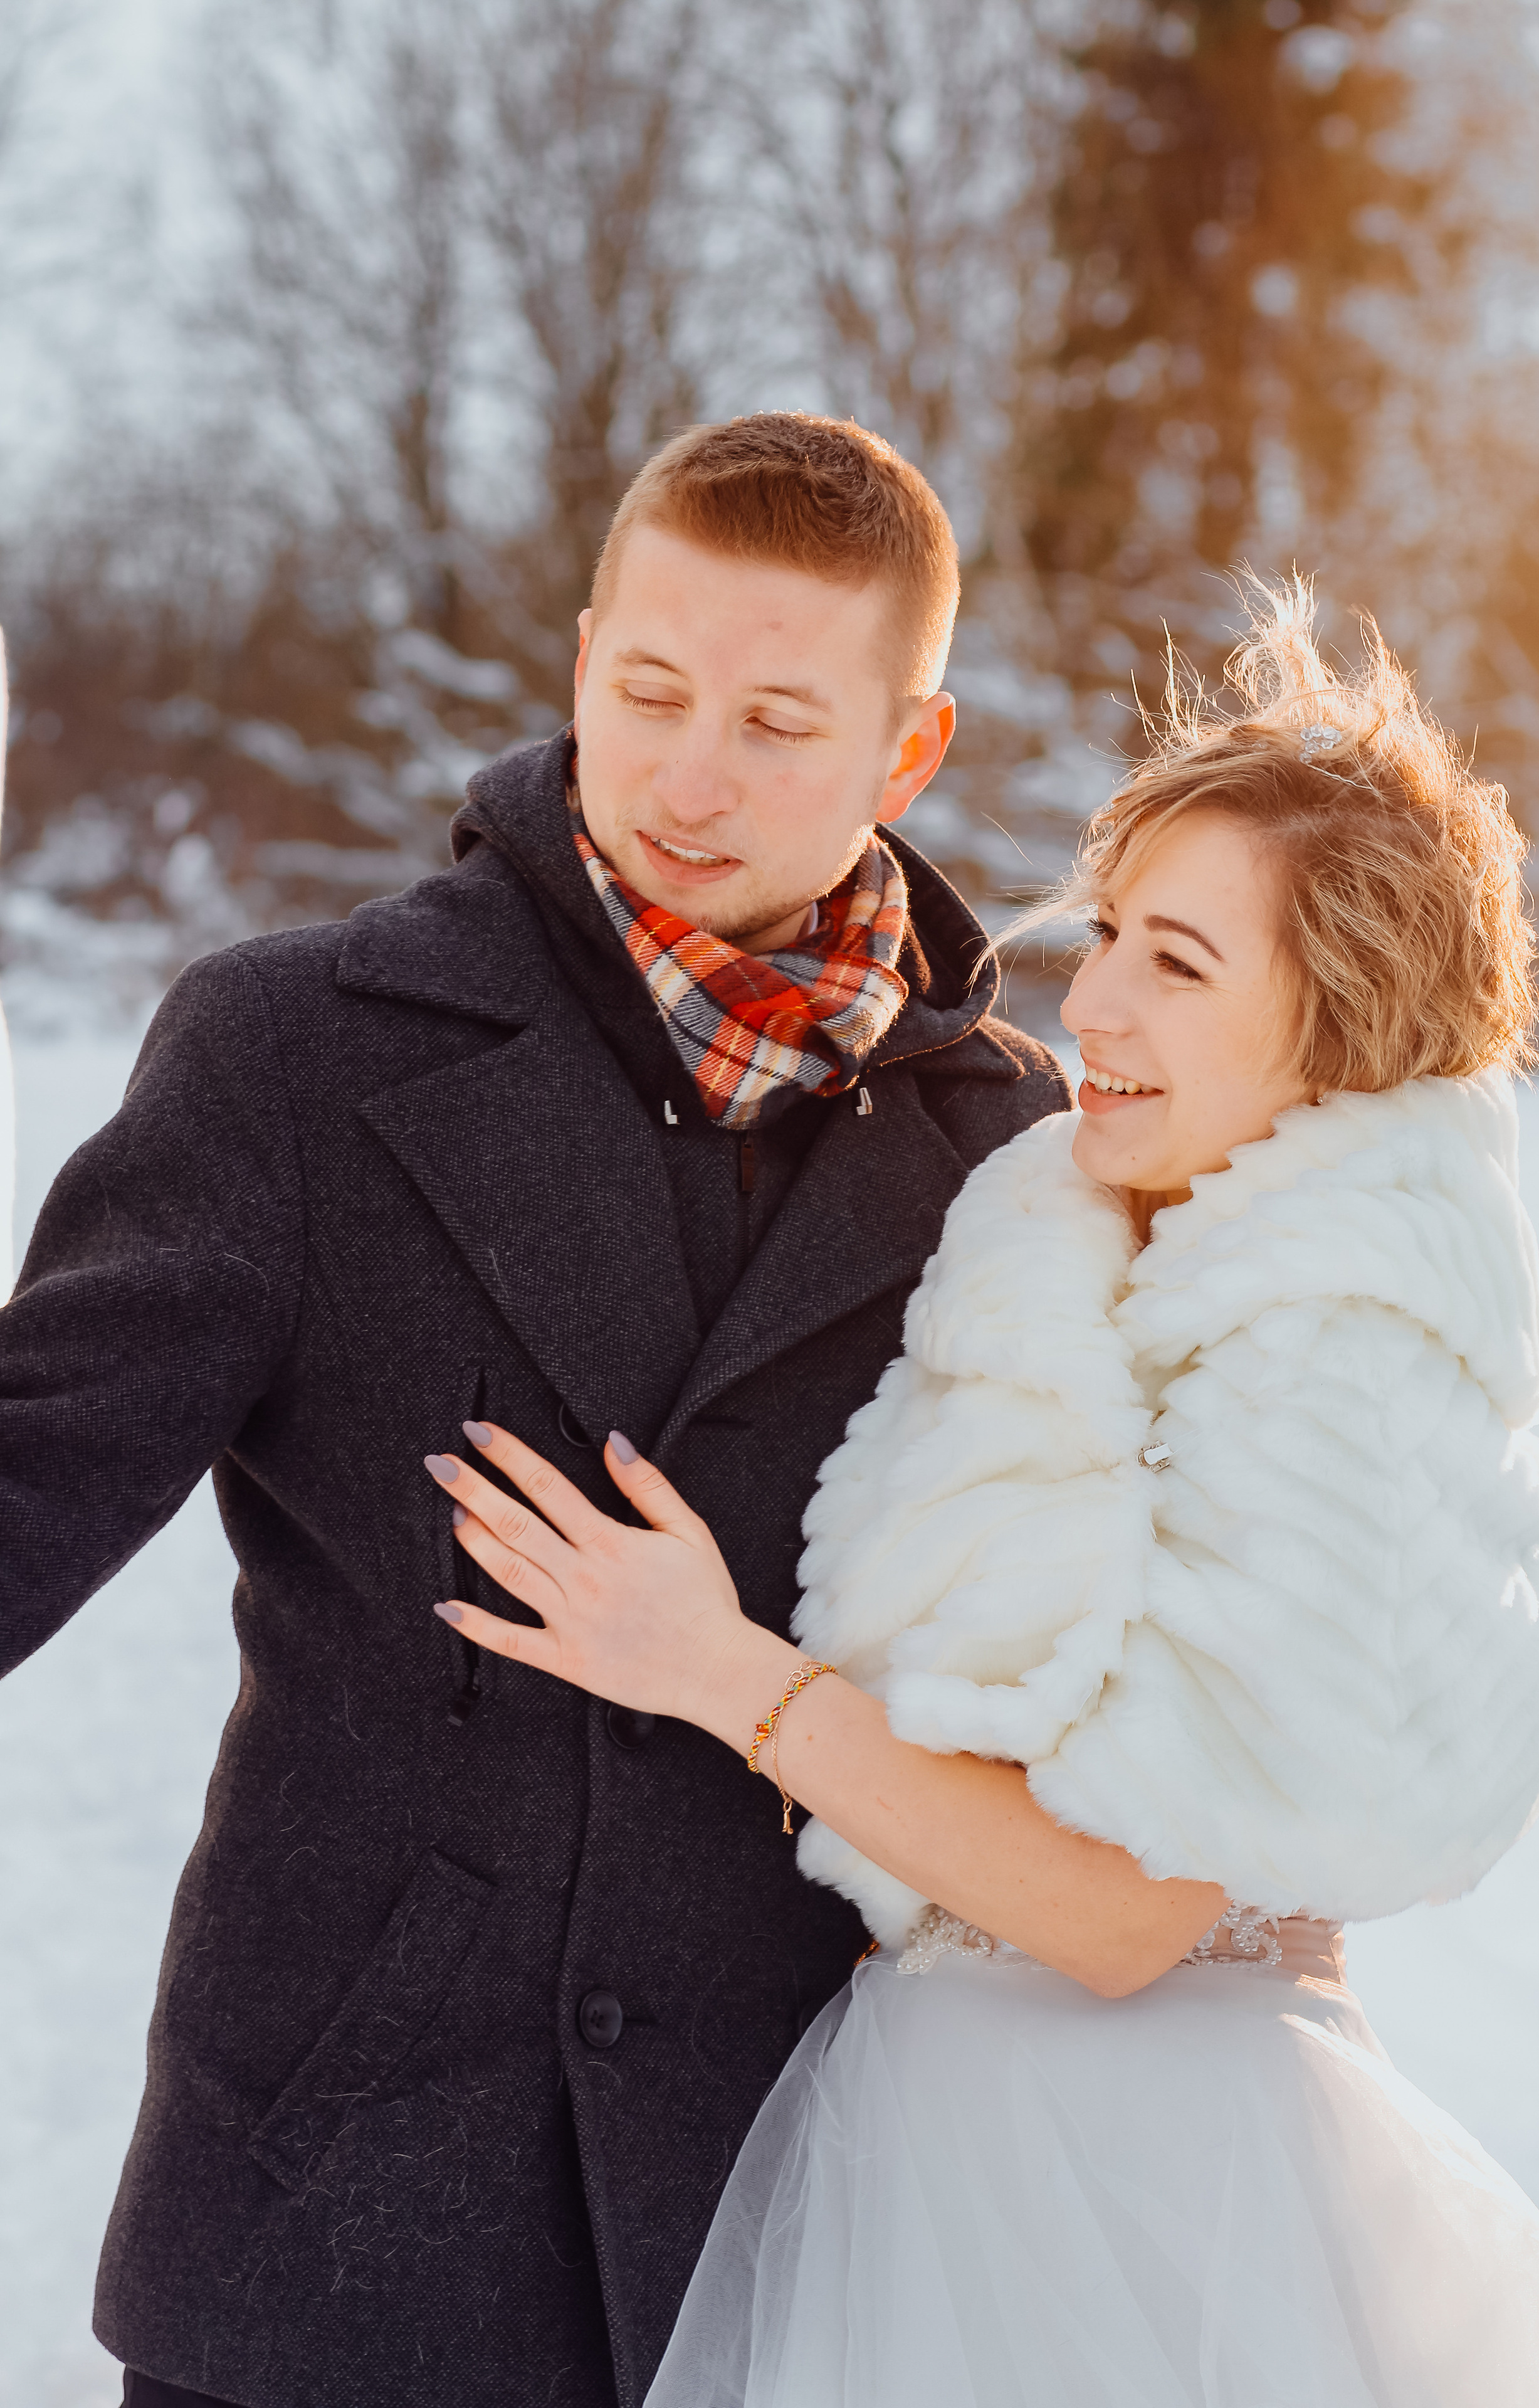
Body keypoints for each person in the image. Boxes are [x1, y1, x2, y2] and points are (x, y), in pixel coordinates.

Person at [423, 582, 1539, 2405]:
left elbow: (1128, 1916)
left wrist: (717, 1671)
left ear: (1342, 1030)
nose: (1098, 999)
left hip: (1135, 2179)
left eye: (1184, 965)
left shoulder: (1334, 1354)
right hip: (949, 2120)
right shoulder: (1087, 1260)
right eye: (1114, 929)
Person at [0, 415, 1071, 2408]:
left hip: (796, 2217)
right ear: (583, 652)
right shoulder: (300, 1054)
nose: (688, 773)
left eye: (776, 719)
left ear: (909, 752)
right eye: (650, 688)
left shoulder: (1011, 1151)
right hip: (341, 2199)